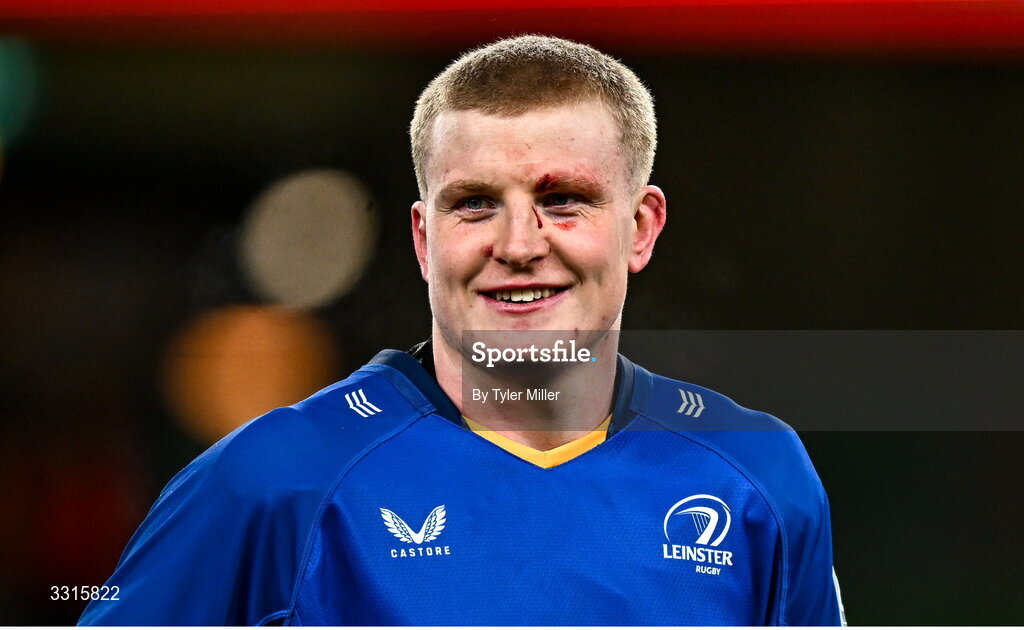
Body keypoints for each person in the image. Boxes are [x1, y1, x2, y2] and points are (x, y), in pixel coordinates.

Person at [80, 35, 845, 626]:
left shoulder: (758, 477)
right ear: (423, 239)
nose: (517, 244)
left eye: (565, 200)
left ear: (640, 227)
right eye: (474, 203)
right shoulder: (276, 480)